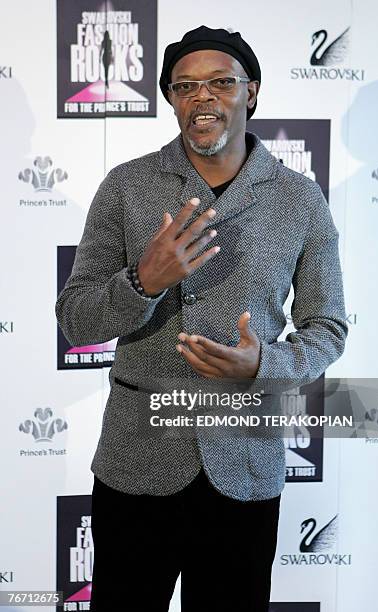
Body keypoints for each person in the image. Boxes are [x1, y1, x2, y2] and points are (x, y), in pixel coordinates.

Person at [55, 25, 348, 612]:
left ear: (252, 92)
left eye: (221, 83)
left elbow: (328, 328)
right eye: (185, 86)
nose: (202, 98)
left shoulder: (298, 199)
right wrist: (144, 282)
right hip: (137, 461)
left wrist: (264, 363)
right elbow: (76, 319)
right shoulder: (127, 188)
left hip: (244, 462)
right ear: (170, 99)